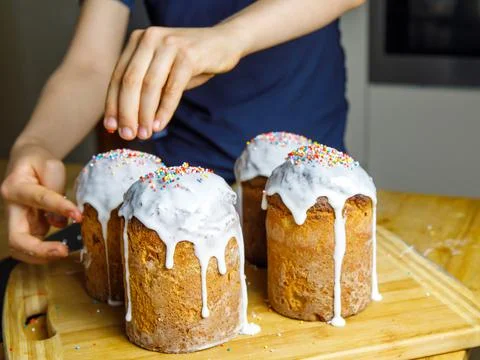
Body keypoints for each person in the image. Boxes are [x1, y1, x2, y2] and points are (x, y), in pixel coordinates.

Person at [1, 0, 364, 264]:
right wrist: (37, 144)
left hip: (309, 181)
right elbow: (91, 64)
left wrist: (230, 37)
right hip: (181, 182)